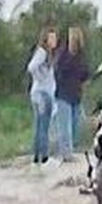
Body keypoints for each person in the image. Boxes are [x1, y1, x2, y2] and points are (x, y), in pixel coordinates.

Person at [52, 26, 91, 161]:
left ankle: (68, 151)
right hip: (63, 94)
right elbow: (57, 71)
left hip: (75, 95)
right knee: (65, 126)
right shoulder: (63, 54)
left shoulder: (81, 56)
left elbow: (85, 73)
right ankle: (66, 153)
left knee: (74, 125)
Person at [26, 28, 58, 165]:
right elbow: (31, 67)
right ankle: (44, 158)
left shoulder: (45, 54)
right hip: (43, 93)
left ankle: (36, 157)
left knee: (39, 126)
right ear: (46, 40)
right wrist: (41, 78)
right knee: (44, 126)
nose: (54, 40)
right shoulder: (43, 53)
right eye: (52, 38)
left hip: (38, 92)